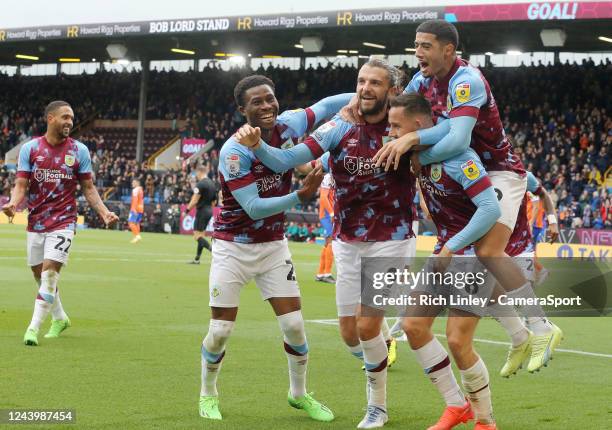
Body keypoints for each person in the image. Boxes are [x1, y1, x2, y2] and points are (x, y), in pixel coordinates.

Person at [370, 19, 561, 372]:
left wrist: (413, 147)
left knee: (488, 252)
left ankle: (541, 326)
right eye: (416, 44)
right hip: (462, 174)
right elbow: (407, 117)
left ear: (448, 49)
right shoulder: (421, 82)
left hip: (498, 170)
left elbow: (457, 139)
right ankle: (519, 336)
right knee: (475, 266)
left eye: (426, 45)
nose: (418, 52)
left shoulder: (466, 80)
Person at [235, 59, 416, 429]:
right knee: (350, 334)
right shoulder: (340, 126)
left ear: (392, 90)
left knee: (365, 328)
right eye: (361, 81)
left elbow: (442, 139)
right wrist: (258, 148)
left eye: (375, 83)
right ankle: (386, 338)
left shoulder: (404, 128)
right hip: (348, 242)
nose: (366, 88)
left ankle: (377, 407)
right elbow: (289, 157)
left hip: (391, 239)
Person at [199, 75, 342, 423]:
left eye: (270, 99)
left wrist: (373, 94)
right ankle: (208, 393)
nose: (266, 106)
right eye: (256, 102)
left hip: (273, 247)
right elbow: (253, 207)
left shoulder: (288, 123)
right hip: (233, 247)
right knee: (220, 331)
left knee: (294, 326)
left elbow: (325, 106)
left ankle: (298, 394)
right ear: (241, 110)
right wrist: (300, 196)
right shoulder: (234, 151)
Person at [388, 93, 501, 430]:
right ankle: (456, 405)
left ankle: (485, 420)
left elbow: (490, 209)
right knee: (413, 326)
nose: (391, 132)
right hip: (444, 253)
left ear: (419, 126)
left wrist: (452, 244)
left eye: (396, 126)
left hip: (470, 257)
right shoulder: (417, 156)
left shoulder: (460, 157)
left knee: (457, 341)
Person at [2, 100, 119, 347]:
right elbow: (21, 185)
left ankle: (32, 329)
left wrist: (104, 211)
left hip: (64, 221)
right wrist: (13, 203)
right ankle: (60, 317)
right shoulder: (30, 149)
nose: (70, 122)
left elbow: (88, 188)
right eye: (65, 117)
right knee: (37, 273)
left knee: (49, 276)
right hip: (36, 221)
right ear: (51, 118)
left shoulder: (79, 151)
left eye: (72, 118)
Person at [187, 164, 217, 264]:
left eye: (196, 174)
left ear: (200, 172)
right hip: (209, 210)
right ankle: (197, 259)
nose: (196, 176)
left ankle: (213, 251)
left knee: (197, 236)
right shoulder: (212, 184)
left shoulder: (200, 184)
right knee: (201, 235)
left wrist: (186, 210)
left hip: (202, 210)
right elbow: (214, 202)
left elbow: (194, 200)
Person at [316, 172, 335, 283]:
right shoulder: (329, 177)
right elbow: (323, 197)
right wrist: (332, 213)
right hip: (327, 214)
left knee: (327, 243)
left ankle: (320, 274)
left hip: (329, 214)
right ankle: (327, 274)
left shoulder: (334, 176)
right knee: (331, 241)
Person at [128, 178, 144, 243]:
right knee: (137, 223)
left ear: (137, 183)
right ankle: (136, 237)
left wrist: (134, 209)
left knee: (131, 223)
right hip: (141, 208)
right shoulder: (141, 189)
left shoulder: (135, 190)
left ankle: (137, 236)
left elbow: (135, 200)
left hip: (135, 208)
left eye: (134, 182)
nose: (132, 184)